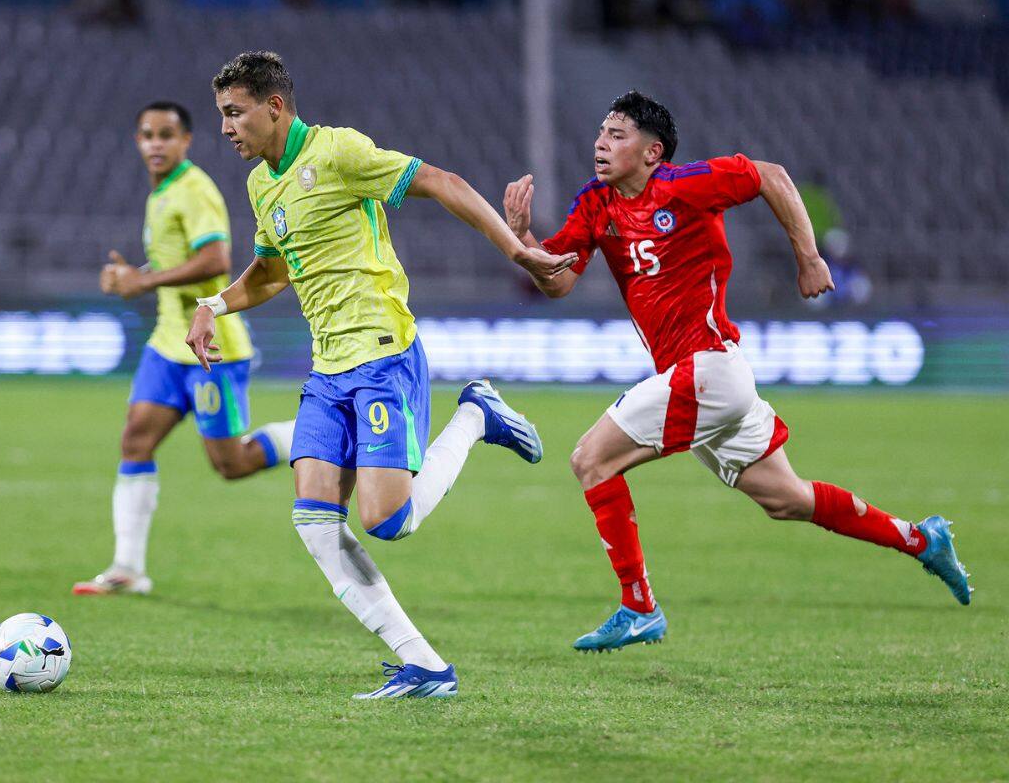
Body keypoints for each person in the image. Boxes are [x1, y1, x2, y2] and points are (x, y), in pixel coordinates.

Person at [502, 91, 972, 653]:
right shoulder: (596, 203)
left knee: (590, 459)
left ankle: (639, 606)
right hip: (707, 381)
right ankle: (921, 539)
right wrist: (522, 238)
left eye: (617, 135)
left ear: (652, 152)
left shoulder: (684, 185)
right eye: (602, 132)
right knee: (787, 499)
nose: (601, 143)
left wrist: (809, 257)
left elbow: (770, 175)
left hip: (709, 369)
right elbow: (558, 281)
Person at [186, 52, 576, 698]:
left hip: (381, 354)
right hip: (327, 368)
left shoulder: (339, 152)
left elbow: (443, 182)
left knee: (387, 521)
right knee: (314, 519)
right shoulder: (261, 184)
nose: (226, 127)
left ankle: (476, 415)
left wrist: (517, 251)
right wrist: (213, 304)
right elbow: (273, 271)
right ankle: (425, 666)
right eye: (221, 114)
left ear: (274, 107)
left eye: (235, 112)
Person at [73, 101, 295, 597]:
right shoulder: (161, 193)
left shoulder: (195, 190)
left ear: (186, 141)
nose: (156, 143)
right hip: (167, 345)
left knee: (231, 464)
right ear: (137, 141)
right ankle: (127, 568)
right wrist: (132, 276)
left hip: (212, 350)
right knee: (135, 441)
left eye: (166, 135)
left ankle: (311, 434)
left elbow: (216, 260)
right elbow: (174, 261)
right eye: (147, 134)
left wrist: (143, 281)